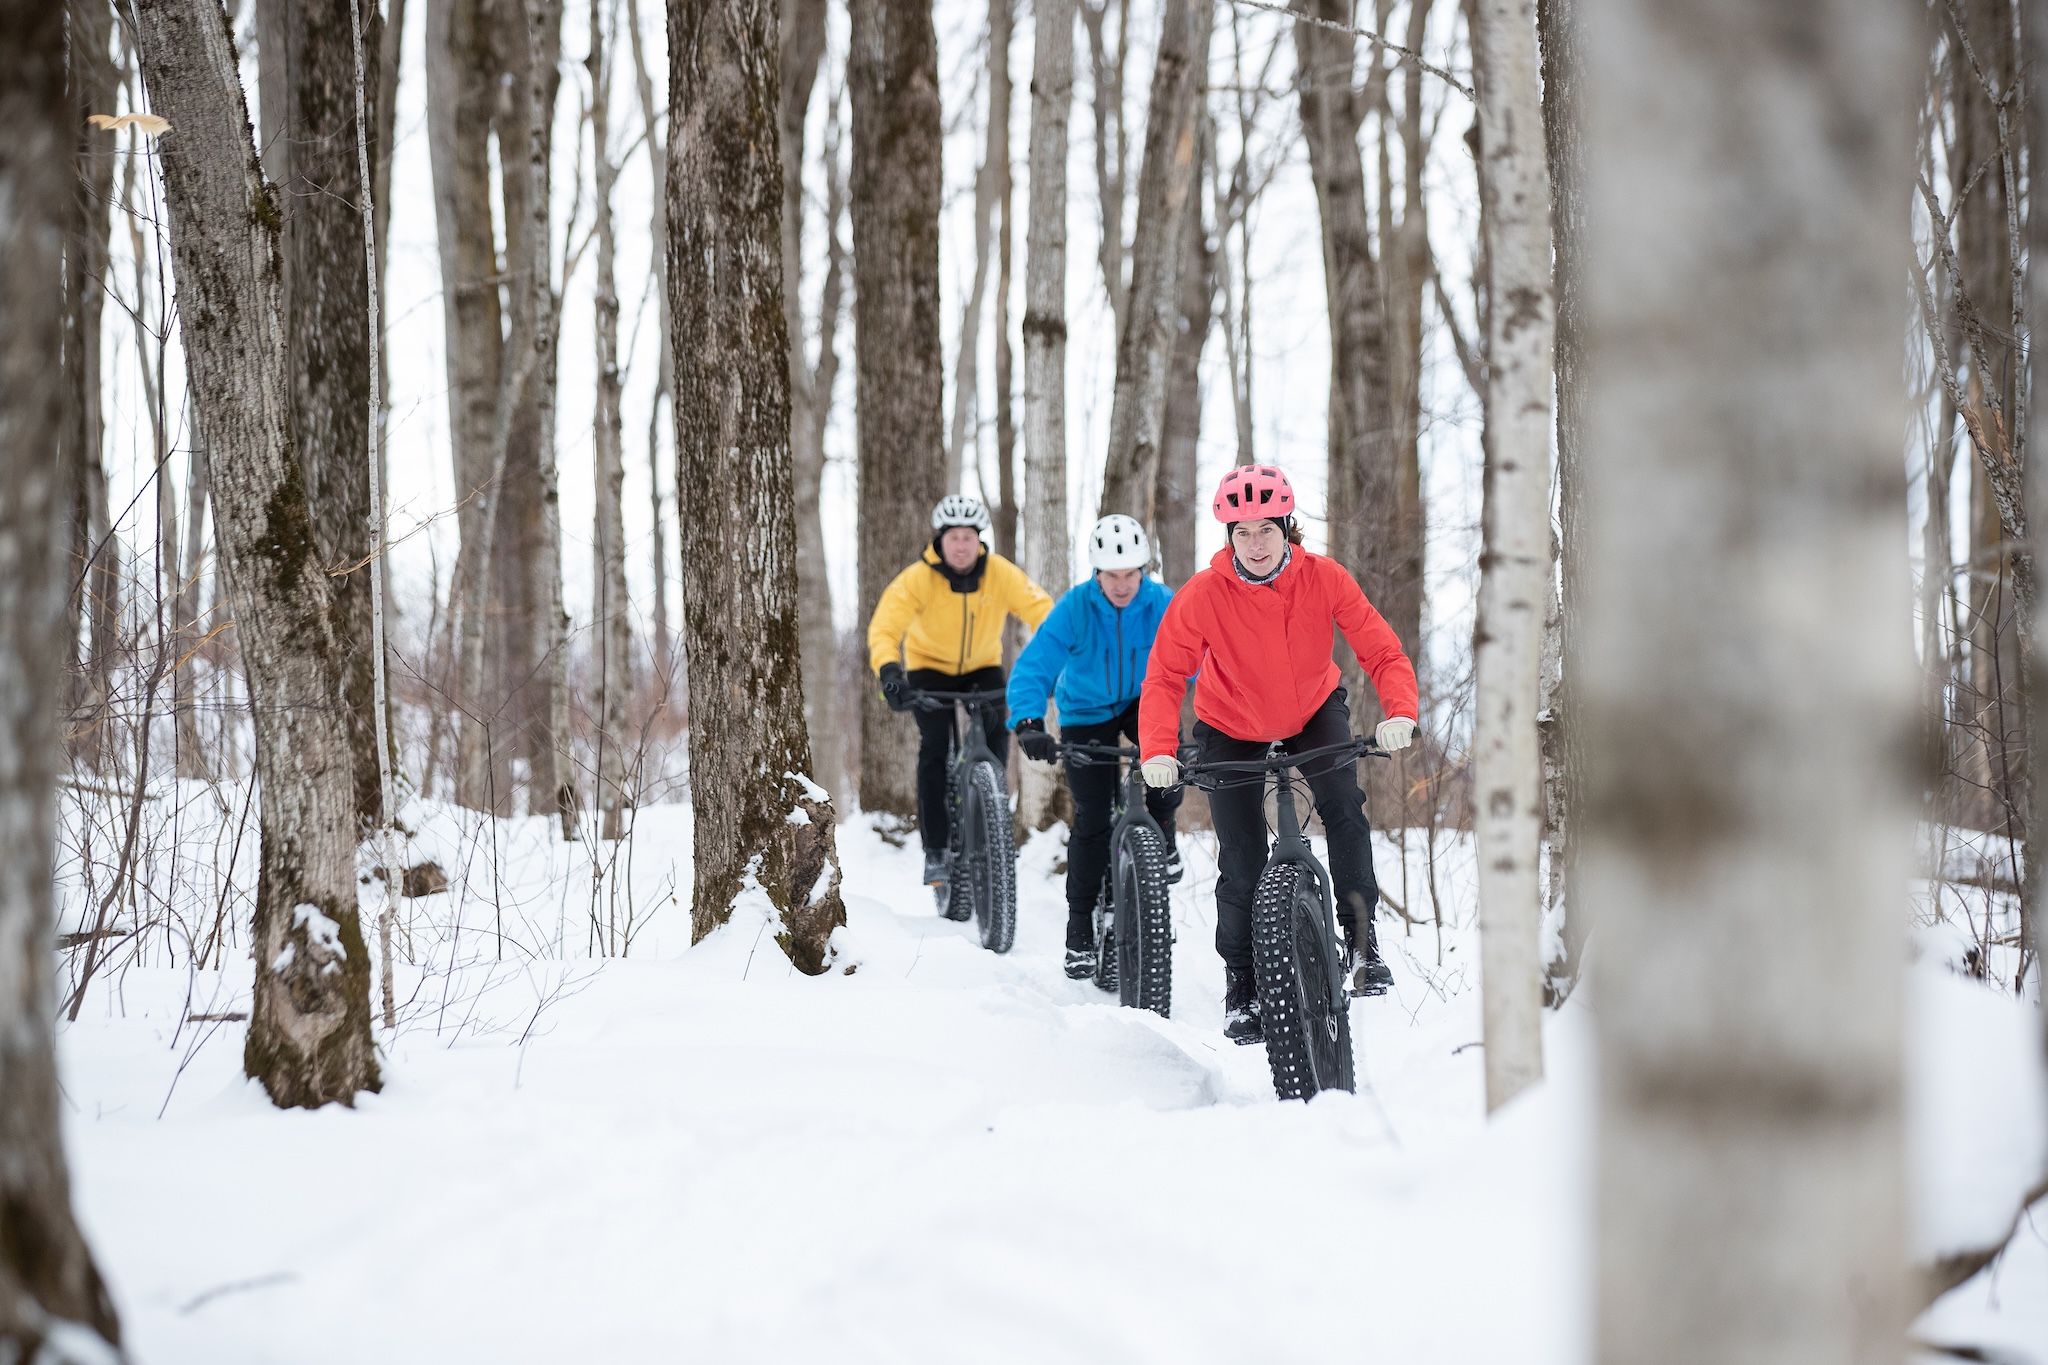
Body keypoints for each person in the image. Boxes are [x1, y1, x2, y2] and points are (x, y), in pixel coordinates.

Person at [1137, 465, 1419, 1045]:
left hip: (1314, 710)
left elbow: (1382, 650)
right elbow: (1165, 675)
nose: (1256, 544)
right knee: (1240, 852)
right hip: (1229, 722)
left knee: (1343, 807)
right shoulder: (1203, 594)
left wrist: (1400, 712)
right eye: (1242, 533)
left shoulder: (1325, 578)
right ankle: (1242, 982)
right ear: (1228, 538)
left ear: (1287, 528)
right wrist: (1159, 750)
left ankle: (1364, 946)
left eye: (1265, 529)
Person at [1007, 514, 1185, 979]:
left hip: (1145, 700)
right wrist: (1028, 721)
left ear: (1144, 570)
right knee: (1092, 819)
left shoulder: (1164, 604)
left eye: (1131, 574)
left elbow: (1204, 659)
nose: (1122, 585)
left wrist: (1218, 715)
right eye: (1112, 575)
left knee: (1170, 758)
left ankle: (1163, 829)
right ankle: (1080, 929)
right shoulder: (1075, 608)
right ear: (1096, 573)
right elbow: (1035, 666)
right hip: (1085, 712)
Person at [869, 495, 1054, 888]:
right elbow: (885, 628)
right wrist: (890, 673)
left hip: (982, 668)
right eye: (953, 537)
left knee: (996, 735)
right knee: (934, 747)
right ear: (941, 540)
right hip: (928, 669)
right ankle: (935, 850)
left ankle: (993, 816)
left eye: (968, 537)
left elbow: (1040, 609)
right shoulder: (917, 579)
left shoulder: (999, 573)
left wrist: (1057, 652)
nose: (961, 545)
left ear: (978, 540)